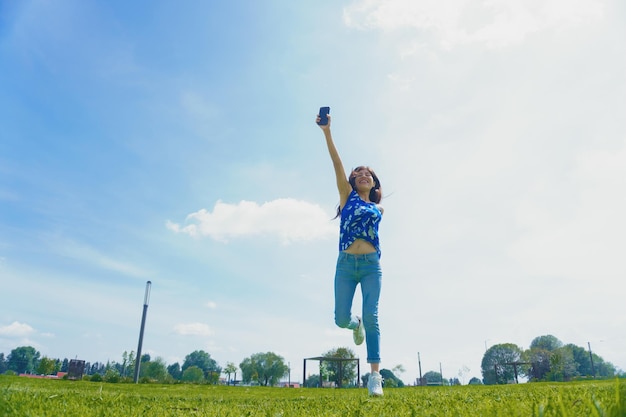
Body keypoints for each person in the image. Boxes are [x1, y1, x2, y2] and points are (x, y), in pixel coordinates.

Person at [316, 112, 385, 396]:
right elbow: (337, 162)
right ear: (353, 180)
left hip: (370, 266)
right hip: (345, 265)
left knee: (372, 315)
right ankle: (353, 324)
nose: (364, 175)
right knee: (340, 319)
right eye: (359, 173)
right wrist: (327, 132)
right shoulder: (347, 197)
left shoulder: (379, 208)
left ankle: (375, 378)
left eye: (368, 173)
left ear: (374, 182)